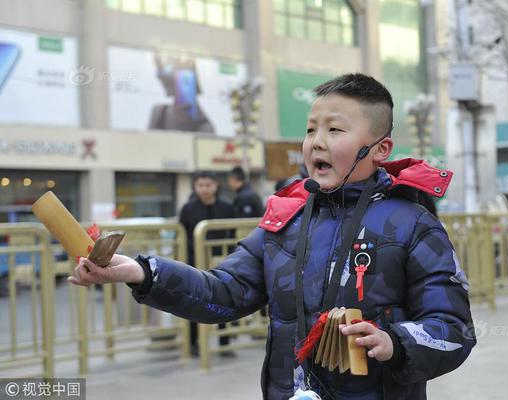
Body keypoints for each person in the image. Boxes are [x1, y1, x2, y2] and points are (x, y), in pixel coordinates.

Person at [69, 73, 475, 400]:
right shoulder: (286, 219)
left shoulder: (414, 224)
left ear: (379, 148)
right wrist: (142, 273)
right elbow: (223, 292)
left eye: (335, 130)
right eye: (311, 129)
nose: (316, 141)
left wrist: (395, 342)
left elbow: (453, 330)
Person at [178, 171, 236, 357]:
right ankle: (194, 343)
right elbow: (182, 236)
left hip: (221, 263)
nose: (204, 189)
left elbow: (232, 234)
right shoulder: (188, 209)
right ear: (195, 187)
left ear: (216, 185)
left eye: (208, 185)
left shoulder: (227, 207)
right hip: (194, 263)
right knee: (193, 302)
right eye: (200, 185)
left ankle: (224, 342)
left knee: (223, 302)